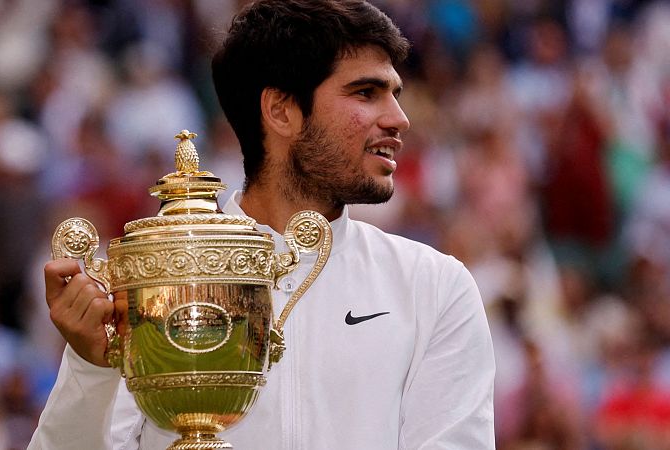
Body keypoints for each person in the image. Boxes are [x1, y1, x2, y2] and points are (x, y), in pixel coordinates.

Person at [28, 1, 495, 448]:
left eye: (396, 94)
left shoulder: (434, 288)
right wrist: (91, 368)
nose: (399, 119)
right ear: (281, 111)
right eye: (366, 92)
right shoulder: (154, 279)